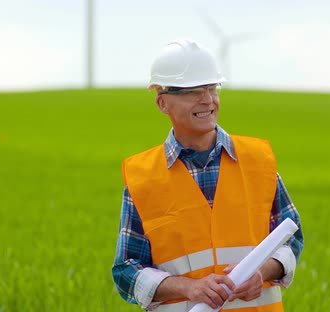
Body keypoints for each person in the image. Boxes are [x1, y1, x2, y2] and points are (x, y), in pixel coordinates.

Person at [112, 39, 304, 311]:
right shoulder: (143, 177)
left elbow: (291, 239)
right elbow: (126, 271)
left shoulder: (257, 161)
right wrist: (188, 287)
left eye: (212, 87)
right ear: (162, 103)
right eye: (192, 91)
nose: (207, 99)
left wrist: (263, 273)